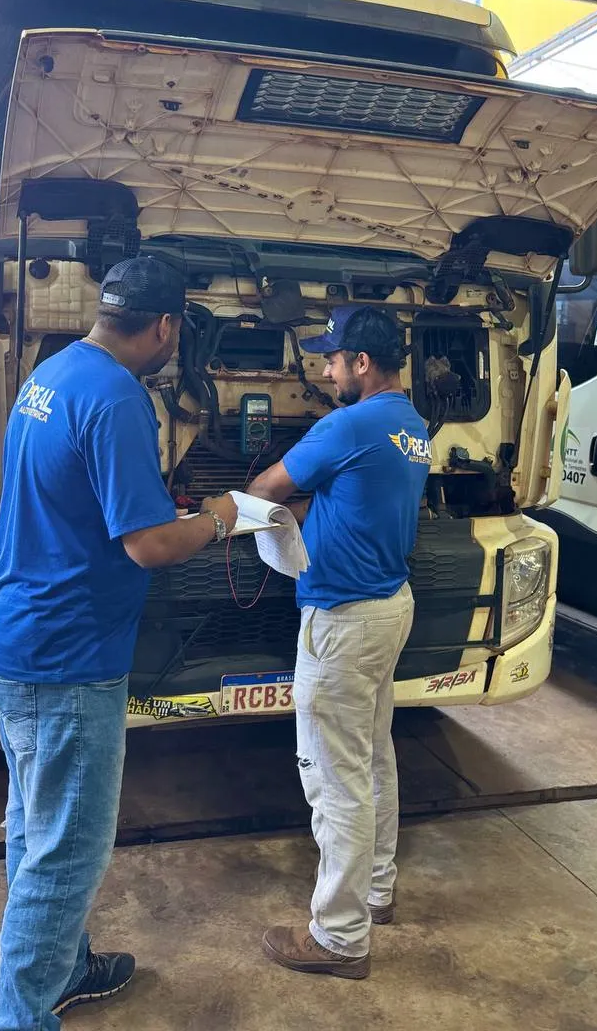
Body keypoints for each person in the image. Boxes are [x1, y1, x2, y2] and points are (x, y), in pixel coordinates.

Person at [0, 255, 237, 1030]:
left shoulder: (53, 372)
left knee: (35, 825)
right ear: (164, 326)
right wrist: (222, 514)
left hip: (16, 634)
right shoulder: (120, 397)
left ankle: (68, 966)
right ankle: (19, 1018)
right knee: (67, 856)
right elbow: (150, 545)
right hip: (68, 654)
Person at [246, 306, 430, 980]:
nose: (323, 372)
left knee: (335, 778)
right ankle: (376, 891)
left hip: (345, 619)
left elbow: (267, 487)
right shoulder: (410, 425)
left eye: (332, 360)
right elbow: (352, 500)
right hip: (389, 605)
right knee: (373, 757)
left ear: (361, 363)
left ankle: (339, 938)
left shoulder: (350, 422)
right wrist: (316, 507)